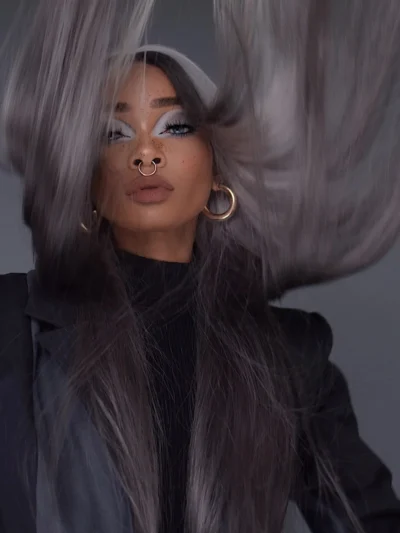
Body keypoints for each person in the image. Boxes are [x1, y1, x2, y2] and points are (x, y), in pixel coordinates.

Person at [1, 1, 400, 533]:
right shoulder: (13, 322)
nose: (146, 153)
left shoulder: (290, 357)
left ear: (219, 170)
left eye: (176, 126)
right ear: (87, 178)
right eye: (113, 134)